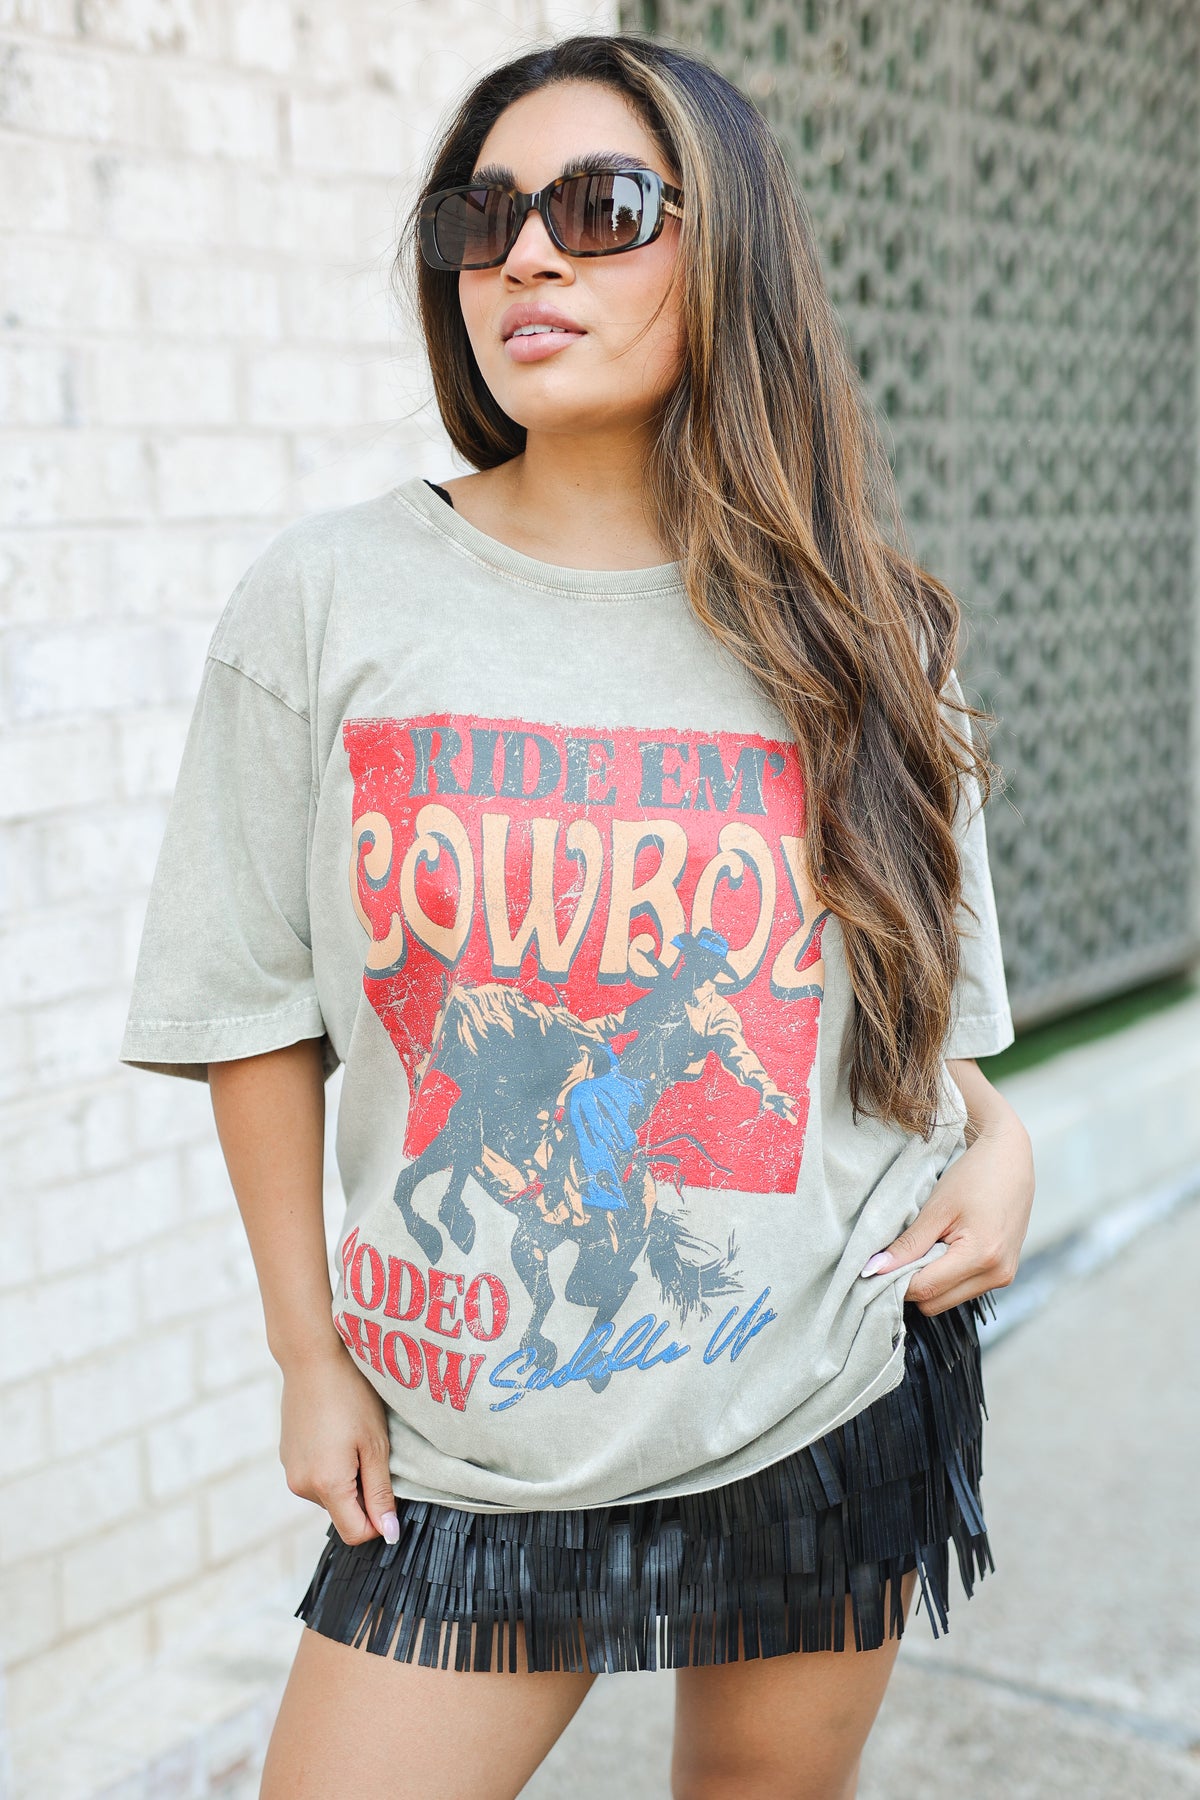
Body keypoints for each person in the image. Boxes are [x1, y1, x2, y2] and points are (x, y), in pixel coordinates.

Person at [118, 30, 1035, 1800]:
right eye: (482, 218)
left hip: (819, 1396)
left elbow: (911, 1032)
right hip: (466, 1445)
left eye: (600, 208)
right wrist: (309, 1357)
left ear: (730, 248)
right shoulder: (331, 597)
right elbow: (251, 1011)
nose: (526, 255)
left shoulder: (868, 631)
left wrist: (1002, 1146)